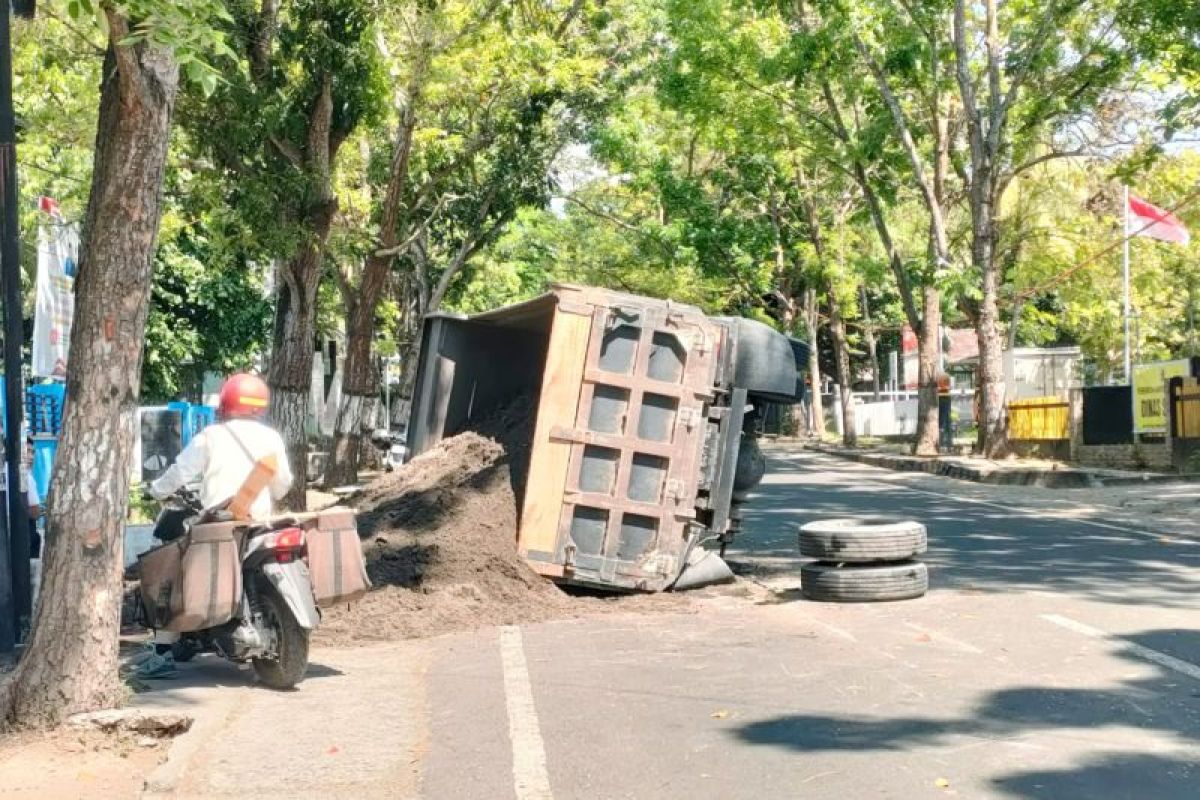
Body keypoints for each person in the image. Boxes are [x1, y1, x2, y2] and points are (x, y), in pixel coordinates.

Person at [133, 373, 293, 680]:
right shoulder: (271, 438)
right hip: (259, 525)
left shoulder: (212, 437)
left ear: (226, 402)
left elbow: (180, 472)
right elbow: (283, 485)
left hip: (219, 526)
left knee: (171, 572)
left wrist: (157, 490)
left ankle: (163, 651)